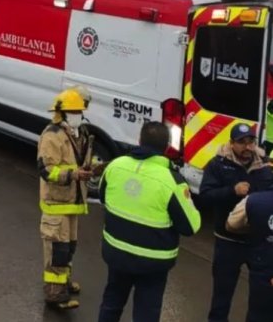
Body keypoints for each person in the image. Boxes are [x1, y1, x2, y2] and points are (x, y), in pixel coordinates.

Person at [97, 122, 202, 322]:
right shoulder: (172, 181)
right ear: (166, 147)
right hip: (152, 263)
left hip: (116, 252)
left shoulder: (115, 166)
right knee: (147, 313)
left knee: (111, 303)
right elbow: (191, 226)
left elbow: (103, 197)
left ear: (139, 140)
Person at [199, 123, 273, 322]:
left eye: (250, 141)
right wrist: (232, 190)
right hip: (227, 241)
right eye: (241, 142)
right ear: (231, 143)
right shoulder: (217, 164)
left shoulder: (265, 166)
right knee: (221, 299)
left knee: (262, 299)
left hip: (258, 243)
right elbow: (205, 196)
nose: (247, 147)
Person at [37, 87, 92, 310]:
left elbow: (77, 163)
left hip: (72, 203)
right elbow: (46, 170)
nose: (80, 114)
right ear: (63, 113)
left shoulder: (79, 134)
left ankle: (64, 283)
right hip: (56, 204)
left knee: (68, 248)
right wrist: (73, 175)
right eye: (76, 111)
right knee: (57, 250)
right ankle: (54, 294)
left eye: (81, 110)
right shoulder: (52, 136)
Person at [226, 188, 273, 322]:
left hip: (264, 270)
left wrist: (255, 228)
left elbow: (231, 225)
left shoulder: (253, 200)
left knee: (258, 315)